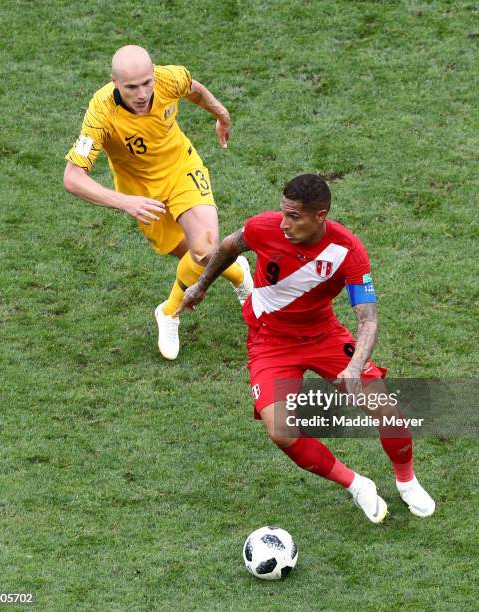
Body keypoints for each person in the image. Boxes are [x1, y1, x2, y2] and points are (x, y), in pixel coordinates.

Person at [176, 174, 435, 523]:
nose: (284, 224)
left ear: (320, 216)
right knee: (281, 431)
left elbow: (368, 320)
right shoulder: (264, 227)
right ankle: (356, 484)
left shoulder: (348, 251)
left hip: (322, 336)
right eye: (284, 213)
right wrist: (201, 285)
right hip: (270, 341)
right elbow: (229, 246)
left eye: (295, 217)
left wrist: (355, 367)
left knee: (385, 410)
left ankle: (407, 482)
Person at [63, 45, 252, 360]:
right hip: (140, 194)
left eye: (146, 83)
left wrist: (221, 112)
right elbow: (73, 177)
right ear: (114, 82)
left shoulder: (168, 78)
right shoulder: (101, 112)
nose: (141, 93)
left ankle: (168, 312)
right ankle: (239, 272)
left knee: (204, 249)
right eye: (131, 87)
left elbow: (194, 90)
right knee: (197, 259)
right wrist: (125, 202)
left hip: (182, 170)